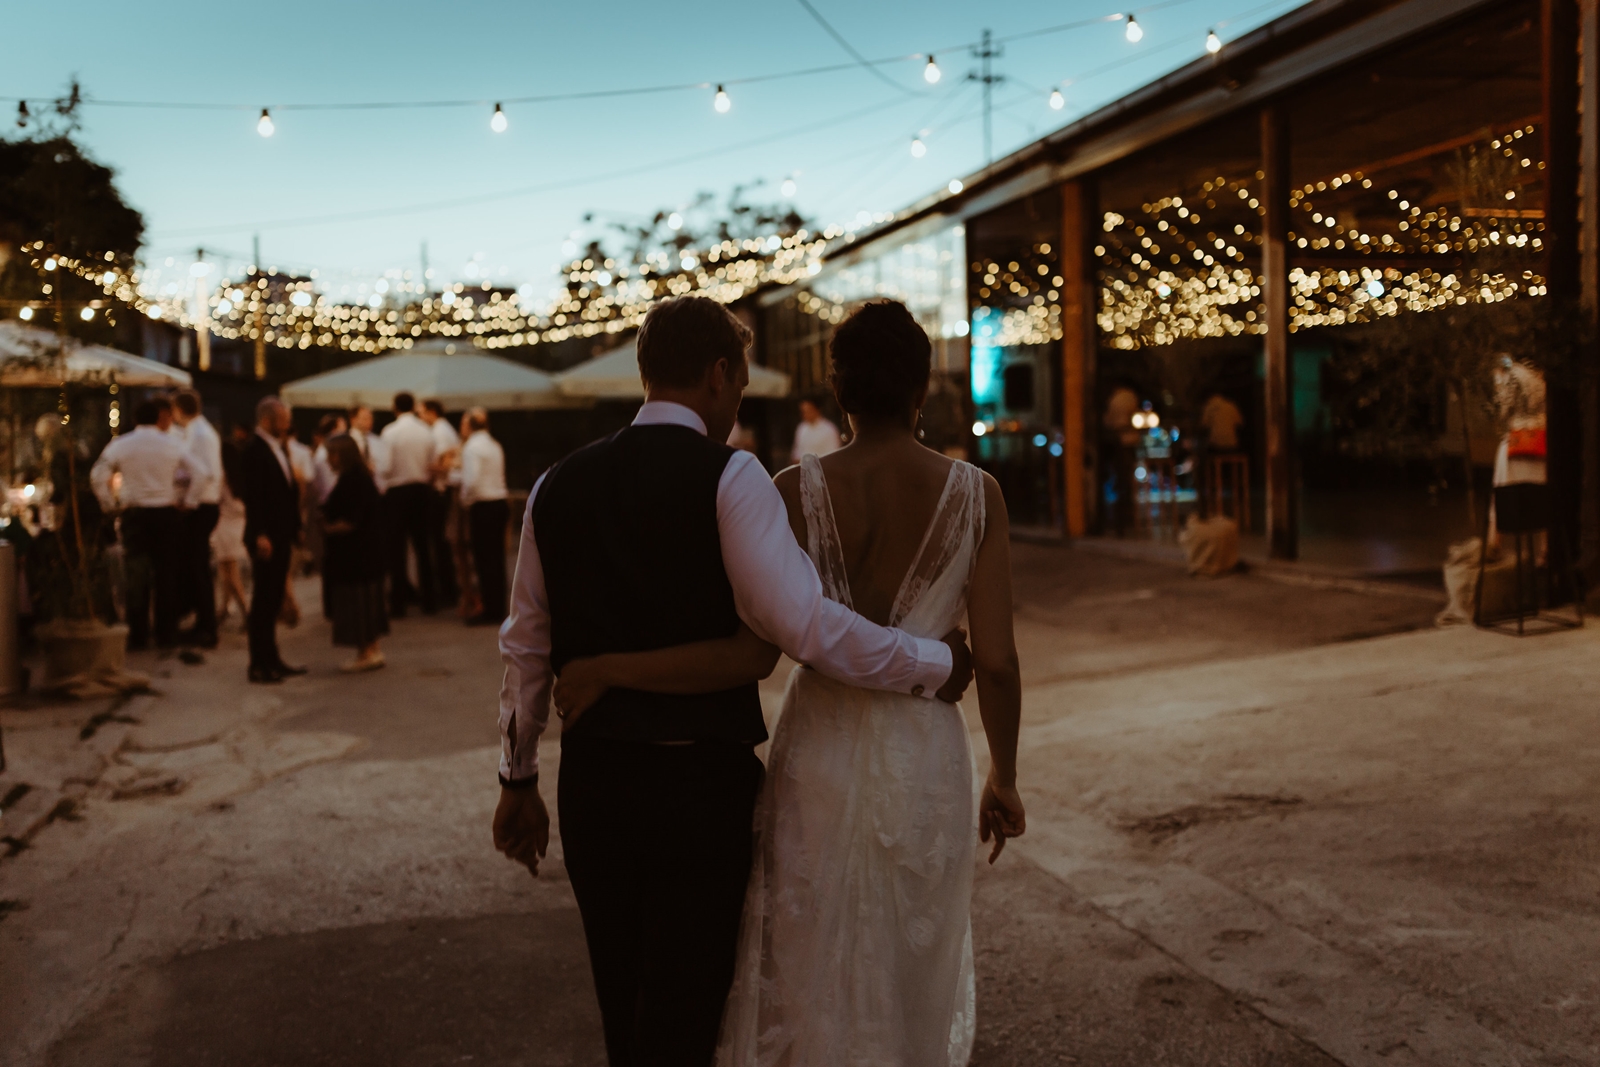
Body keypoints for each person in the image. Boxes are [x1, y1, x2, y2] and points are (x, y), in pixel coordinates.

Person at [492, 295, 974, 1067]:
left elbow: (524, 645)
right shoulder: (733, 475)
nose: (739, 398)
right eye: (741, 380)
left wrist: (516, 777)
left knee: (625, 1000)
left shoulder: (556, 485)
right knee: (691, 1006)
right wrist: (933, 661)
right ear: (719, 374)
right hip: (696, 786)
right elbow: (803, 624)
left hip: (596, 785)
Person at [89, 398, 195, 651]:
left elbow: (97, 475)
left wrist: (108, 504)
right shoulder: (172, 443)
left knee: (136, 575)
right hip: (166, 512)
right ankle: (166, 633)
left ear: (135, 420)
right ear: (157, 419)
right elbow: (201, 472)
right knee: (166, 575)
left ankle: (138, 635)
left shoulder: (121, 444)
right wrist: (186, 500)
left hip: (134, 514)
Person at [240, 396, 306, 684]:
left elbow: (286, 493)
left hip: (281, 533)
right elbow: (254, 498)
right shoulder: (254, 451)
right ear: (267, 419)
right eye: (283, 419)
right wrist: (260, 534)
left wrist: (296, 527)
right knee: (264, 601)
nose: (288, 424)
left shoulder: (278, 447)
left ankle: (273, 658)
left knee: (274, 597)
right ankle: (258, 663)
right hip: (266, 537)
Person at [321, 434, 388, 672]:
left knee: (358, 604)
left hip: (355, 555)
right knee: (368, 602)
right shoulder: (362, 477)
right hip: (368, 553)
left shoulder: (351, 481)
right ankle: (372, 647)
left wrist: (327, 528)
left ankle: (365, 652)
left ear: (338, 455)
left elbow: (351, 520)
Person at [380, 392, 439, 616]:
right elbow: (432, 463)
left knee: (397, 549)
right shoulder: (426, 431)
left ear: (395, 408)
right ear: (413, 407)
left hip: (397, 492)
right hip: (421, 491)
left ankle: (398, 603)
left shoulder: (390, 432)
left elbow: (385, 466)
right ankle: (430, 601)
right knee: (423, 546)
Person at [171, 389, 222, 648]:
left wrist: (188, 503)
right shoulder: (199, 431)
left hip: (202, 505)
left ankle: (207, 627)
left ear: (179, 409)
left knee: (198, 568)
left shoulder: (200, 434)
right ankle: (203, 623)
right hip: (204, 503)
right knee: (196, 567)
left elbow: (205, 474)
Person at [458, 407, 508, 626]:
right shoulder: (494, 444)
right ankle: (498, 606)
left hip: (483, 505)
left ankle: (490, 609)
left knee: (484, 559)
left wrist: (465, 501)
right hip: (499, 502)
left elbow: (471, 480)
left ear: (469, 426)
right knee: (496, 559)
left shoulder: (471, 448)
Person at [420, 399, 461, 608]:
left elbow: (445, 465)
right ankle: (447, 587)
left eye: (422, 412)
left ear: (431, 412)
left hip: (440, 491)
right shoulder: (442, 429)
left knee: (439, 542)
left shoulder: (440, 431)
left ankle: (447, 589)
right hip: (442, 491)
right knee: (439, 542)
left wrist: (422, 467)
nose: (419, 417)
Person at [211, 439, 250, 631]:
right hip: (239, 527)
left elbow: (213, 498)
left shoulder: (222, 478)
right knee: (226, 572)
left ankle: (246, 612)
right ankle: (223, 608)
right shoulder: (242, 477)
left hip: (224, 527)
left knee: (229, 573)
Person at [789, 398, 842, 463]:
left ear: (817, 410)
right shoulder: (801, 428)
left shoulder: (829, 429)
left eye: (808, 410)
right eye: (803, 411)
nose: (805, 414)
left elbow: (833, 455)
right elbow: (796, 452)